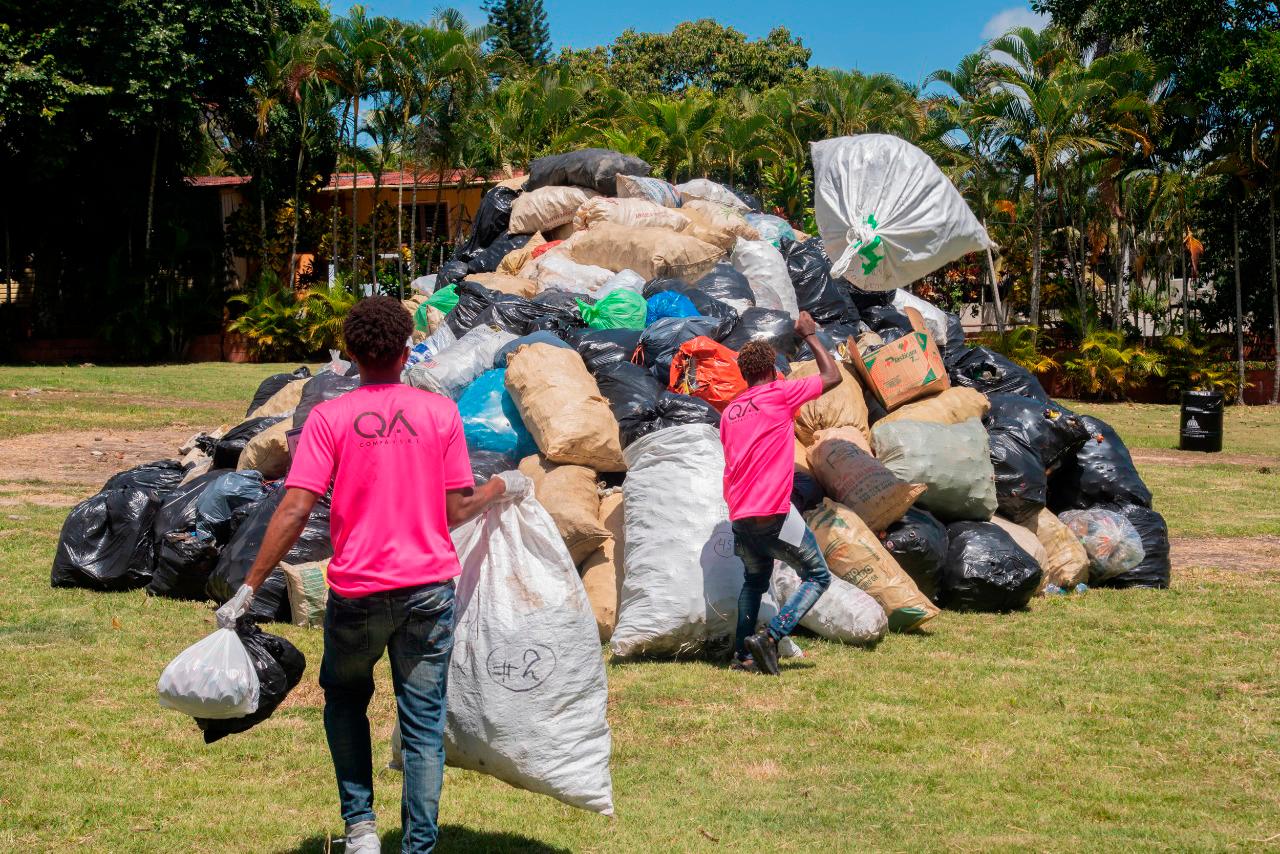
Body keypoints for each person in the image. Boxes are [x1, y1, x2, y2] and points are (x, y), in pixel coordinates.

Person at [215, 296, 529, 853]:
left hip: (359, 591)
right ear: (406, 352)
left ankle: (360, 830)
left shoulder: (329, 418)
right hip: (429, 591)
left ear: (352, 355)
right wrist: (503, 487)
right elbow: (457, 510)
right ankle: (418, 847)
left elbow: (294, 507)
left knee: (344, 698)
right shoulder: (438, 414)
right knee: (423, 723)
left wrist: (248, 587)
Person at [720, 310, 840, 676]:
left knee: (755, 580)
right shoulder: (779, 394)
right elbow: (832, 376)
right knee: (818, 576)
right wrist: (809, 336)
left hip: (739, 514)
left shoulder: (729, 412)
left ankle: (742, 654)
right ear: (773, 369)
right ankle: (771, 637)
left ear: (743, 374)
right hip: (771, 511)